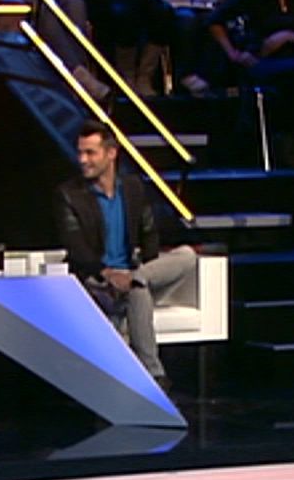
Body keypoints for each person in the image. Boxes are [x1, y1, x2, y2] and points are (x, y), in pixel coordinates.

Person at [53, 120, 197, 386]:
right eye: (80, 152)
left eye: (90, 153)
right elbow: (77, 248)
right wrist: (108, 274)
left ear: (111, 153)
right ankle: (154, 374)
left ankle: (137, 281)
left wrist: (141, 272)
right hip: (96, 279)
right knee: (138, 292)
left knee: (187, 256)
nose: (83, 160)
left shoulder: (132, 187)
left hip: (130, 272)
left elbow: (149, 233)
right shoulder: (69, 194)